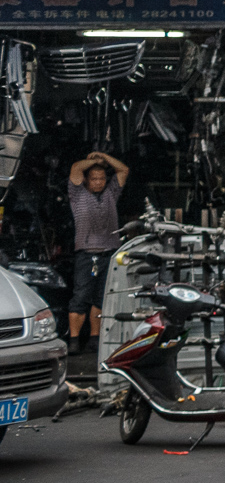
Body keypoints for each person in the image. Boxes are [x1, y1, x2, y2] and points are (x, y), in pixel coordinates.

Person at [66, 150, 128, 355]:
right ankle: (74, 340)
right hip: (86, 254)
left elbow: (123, 169)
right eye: (94, 179)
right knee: (81, 296)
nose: (99, 182)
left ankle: (95, 339)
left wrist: (103, 157)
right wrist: (93, 161)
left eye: (102, 178)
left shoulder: (111, 193)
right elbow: (76, 168)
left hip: (108, 253)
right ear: (87, 180)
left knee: (101, 298)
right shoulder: (77, 193)